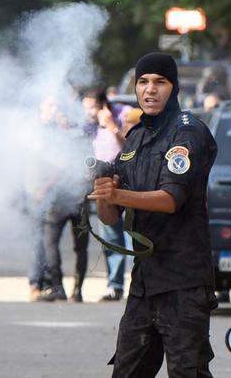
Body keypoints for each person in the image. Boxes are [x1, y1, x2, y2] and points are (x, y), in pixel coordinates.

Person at [91, 53, 219, 377]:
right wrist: (104, 192)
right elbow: (110, 218)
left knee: (187, 372)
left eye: (160, 82)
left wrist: (117, 193)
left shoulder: (187, 133)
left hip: (184, 282)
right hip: (145, 282)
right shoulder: (136, 137)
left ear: (173, 88)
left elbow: (171, 199)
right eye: (143, 82)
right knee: (127, 371)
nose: (150, 90)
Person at [37, 96, 89, 302]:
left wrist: (44, 187)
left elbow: (57, 167)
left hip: (61, 197)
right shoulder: (83, 137)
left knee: (51, 242)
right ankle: (77, 290)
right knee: (79, 246)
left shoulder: (58, 139)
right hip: (77, 197)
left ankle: (59, 287)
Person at [84, 89, 130, 302]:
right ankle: (115, 285)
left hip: (129, 183)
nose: (88, 112)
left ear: (103, 105)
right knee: (111, 237)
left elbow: (130, 148)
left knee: (135, 237)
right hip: (104, 183)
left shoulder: (124, 115)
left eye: (92, 107)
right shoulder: (88, 126)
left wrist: (112, 126)